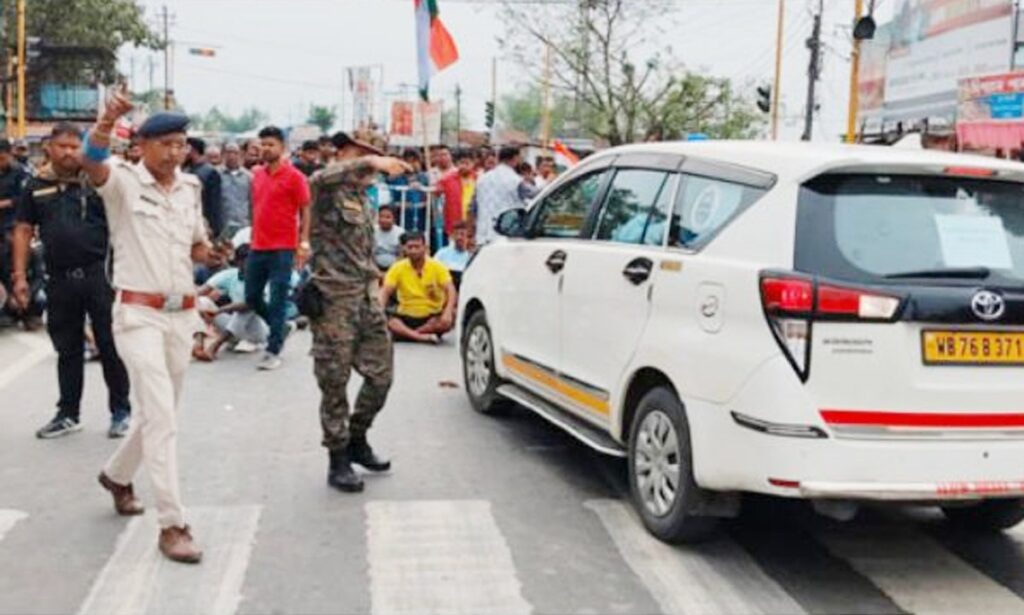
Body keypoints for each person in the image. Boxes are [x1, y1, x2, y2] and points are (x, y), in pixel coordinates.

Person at [80, 91, 210, 564]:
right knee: (162, 418)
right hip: (138, 315)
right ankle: (172, 525)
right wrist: (106, 121)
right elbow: (91, 160)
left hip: (182, 314)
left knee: (161, 414)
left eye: (181, 144)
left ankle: (117, 475)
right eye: (166, 144)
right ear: (142, 146)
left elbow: (197, 242)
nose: (176, 152)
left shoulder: (191, 188)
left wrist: (205, 253)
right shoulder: (123, 182)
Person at [11, 123, 132, 440]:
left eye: (74, 146)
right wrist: (20, 276)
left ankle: (121, 411)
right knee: (67, 348)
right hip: (59, 277)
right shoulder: (35, 183)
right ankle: (68, 413)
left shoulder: (98, 179)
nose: (68, 152)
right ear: (48, 147)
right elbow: (23, 229)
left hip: (100, 275)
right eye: (61, 146)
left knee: (109, 345)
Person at [308, 136, 410, 493]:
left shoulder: (363, 198)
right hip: (334, 299)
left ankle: (357, 437)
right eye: (361, 157)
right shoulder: (326, 189)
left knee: (381, 376)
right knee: (334, 382)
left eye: (374, 158)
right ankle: (337, 458)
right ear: (342, 157)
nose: (370, 165)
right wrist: (372, 164)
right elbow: (320, 177)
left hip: (366, 297)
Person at [247, 125, 311, 371]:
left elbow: (306, 208)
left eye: (270, 144)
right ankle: (280, 327)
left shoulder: (295, 177)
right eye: (262, 144)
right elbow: (257, 208)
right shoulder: (258, 175)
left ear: (282, 148)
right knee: (252, 296)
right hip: (258, 245)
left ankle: (273, 349)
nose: (265, 149)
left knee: (277, 298)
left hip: (284, 246)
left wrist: (303, 242)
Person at [193, 245, 268, 362]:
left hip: (257, 333)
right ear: (238, 262)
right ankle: (199, 345)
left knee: (247, 308)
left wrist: (220, 310)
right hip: (233, 329)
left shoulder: (263, 279)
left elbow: (249, 304)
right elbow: (201, 291)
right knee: (202, 301)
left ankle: (214, 347)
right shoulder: (230, 275)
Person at [380, 231, 457, 344]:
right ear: (404, 249)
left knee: (450, 318)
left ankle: (409, 334)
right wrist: (379, 309)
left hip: (431, 316)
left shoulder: (437, 266)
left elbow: (450, 289)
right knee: (388, 321)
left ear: (425, 248)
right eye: (410, 247)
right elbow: (385, 291)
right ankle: (420, 337)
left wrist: (448, 311)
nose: (413, 250)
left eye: (417, 247)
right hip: (405, 315)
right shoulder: (397, 267)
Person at [474, 146, 524, 246]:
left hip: (482, 232)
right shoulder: (515, 180)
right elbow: (534, 196)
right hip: (504, 234)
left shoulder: (482, 179)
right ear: (515, 158)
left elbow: (473, 207)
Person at [184, 137, 223, 238]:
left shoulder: (210, 173)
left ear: (193, 150)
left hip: (203, 225)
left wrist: (213, 228)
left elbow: (214, 205)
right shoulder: (187, 170)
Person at [437, 149, 476, 239]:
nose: (464, 166)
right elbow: (436, 189)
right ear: (457, 164)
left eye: (467, 163)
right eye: (462, 163)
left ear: (473, 164)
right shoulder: (447, 180)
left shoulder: (479, 179)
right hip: (455, 223)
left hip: (473, 224)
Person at [388, 149, 430, 232]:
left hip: (421, 216)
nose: (411, 164)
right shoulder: (394, 178)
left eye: (414, 161)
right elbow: (390, 198)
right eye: (408, 161)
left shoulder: (425, 178)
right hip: (401, 215)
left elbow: (429, 198)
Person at [219, 143, 252, 239]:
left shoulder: (248, 177)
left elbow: (252, 202)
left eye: (235, 153)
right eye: (228, 152)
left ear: (241, 154)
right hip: (223, 225)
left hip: (243, 225)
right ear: (223, 154)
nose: (232, 156)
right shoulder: (216, 175)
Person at [433, 221, 471, 287]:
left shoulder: (471, 256)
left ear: (467, 237)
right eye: (456, 234)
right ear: (452, 236)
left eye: (462, 234)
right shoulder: (442, 253)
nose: (459, 237)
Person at [373, 205, 405, 272]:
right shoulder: (372, 230)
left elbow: (402, 254)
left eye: (388, 217)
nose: (383, 220)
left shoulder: (400, 232)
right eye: (381, 216)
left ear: (394, 219)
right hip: (374, 267)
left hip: (395, 268)